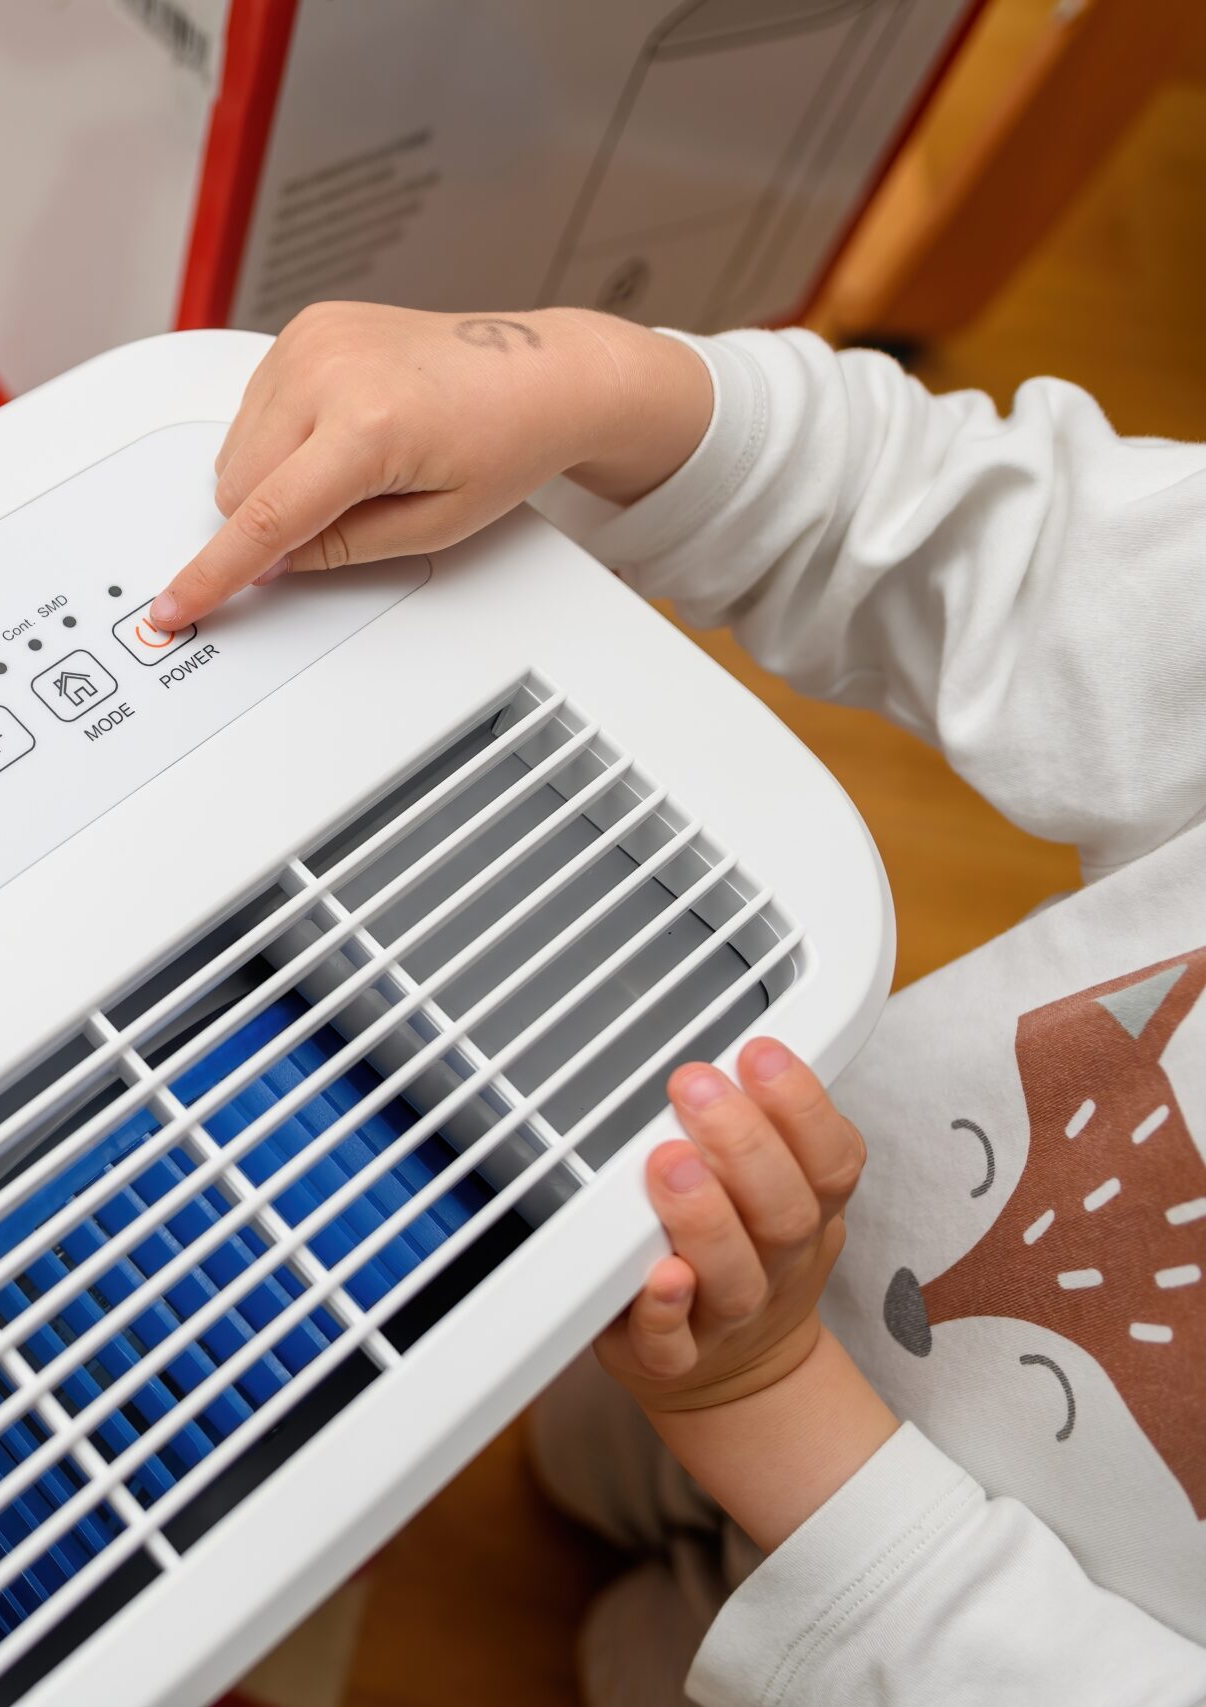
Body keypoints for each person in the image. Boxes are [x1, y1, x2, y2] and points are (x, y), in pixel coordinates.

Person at [150, 305, 1206, 1706]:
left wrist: (759, 1403)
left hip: (916, 1625)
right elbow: (988, 539)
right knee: (588, 1447)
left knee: (637, 1662)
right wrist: (596, 383)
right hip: (762, 1239)